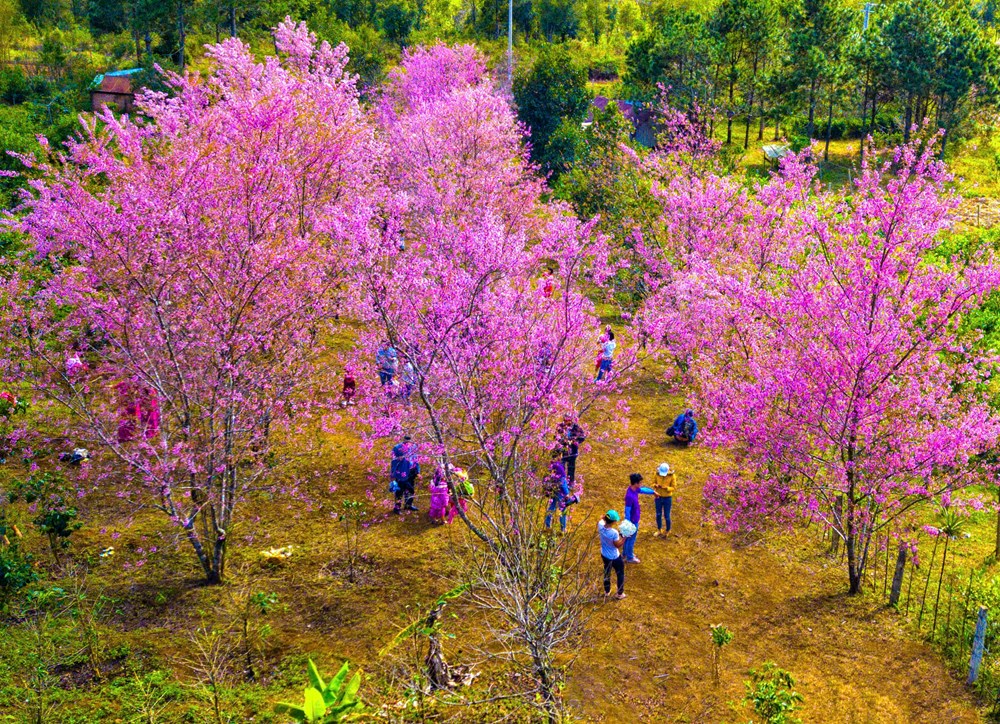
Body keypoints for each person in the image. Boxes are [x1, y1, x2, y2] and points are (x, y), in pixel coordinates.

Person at [622, 472, 655, 563]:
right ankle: (629, 557)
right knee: (631, 539)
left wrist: (653, 492)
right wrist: (628, 524)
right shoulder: (629, 496)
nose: (641, 484)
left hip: (633, 519)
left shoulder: (634, 489)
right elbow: (627, 510)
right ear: (635, 483)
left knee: (628, 538)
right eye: (640, 483)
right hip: (632, 521)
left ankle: (625, 554)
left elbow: (643, 490)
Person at [543, 460, 579, 532]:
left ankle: (547, 525)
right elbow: (563, 482)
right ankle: (563, 528)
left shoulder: (550, 466)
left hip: (553, 490)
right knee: (563, 509)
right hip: (561, 492)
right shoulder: (559, 467)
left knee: (552, 507)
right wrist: (566, 493)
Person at [597, 510, 626, 599]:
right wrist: (625, 537)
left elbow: (601, 518)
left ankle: (607, 591)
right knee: (620, 573)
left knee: (607, 572)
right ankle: (620, 594)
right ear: (613, 521)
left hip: (604, 555)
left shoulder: (600, 525)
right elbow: (617, 545)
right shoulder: (614, 532)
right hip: (614, 557)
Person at [554, 415, 586, 484]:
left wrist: (573, 440)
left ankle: (570, 483)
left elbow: (582, 437)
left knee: (571, 467)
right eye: (564, 420)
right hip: (562, 450)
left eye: (567, 420)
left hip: (572, 451)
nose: (565, 422)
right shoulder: (560, 426)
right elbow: (555, 436)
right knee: (561, 466)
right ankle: (561, 482)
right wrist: (561, 440)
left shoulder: (576, 427)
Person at [390, 437, 419, 513]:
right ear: (403, 440)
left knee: (410, 489)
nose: (408, 443)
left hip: (412, 472)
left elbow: (416, 459)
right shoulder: (397, 448)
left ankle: (408, 505)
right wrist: (393, 473)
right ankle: (397, 508)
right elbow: (393, 461)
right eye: (406, 441)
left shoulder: (414, 447)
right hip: (401, 473)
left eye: (409, 441)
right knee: (400, 491)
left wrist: (418, 471)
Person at [651, 462, 676, 537]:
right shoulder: (656, 474)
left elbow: (674, 487)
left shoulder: (672, 476)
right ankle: (659, 529)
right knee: (658, 514)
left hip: (667, 498)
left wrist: (667, 488)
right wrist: (656, 485)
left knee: (667, 515)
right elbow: (652, 483)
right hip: (658, 497)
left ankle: (668, 530)